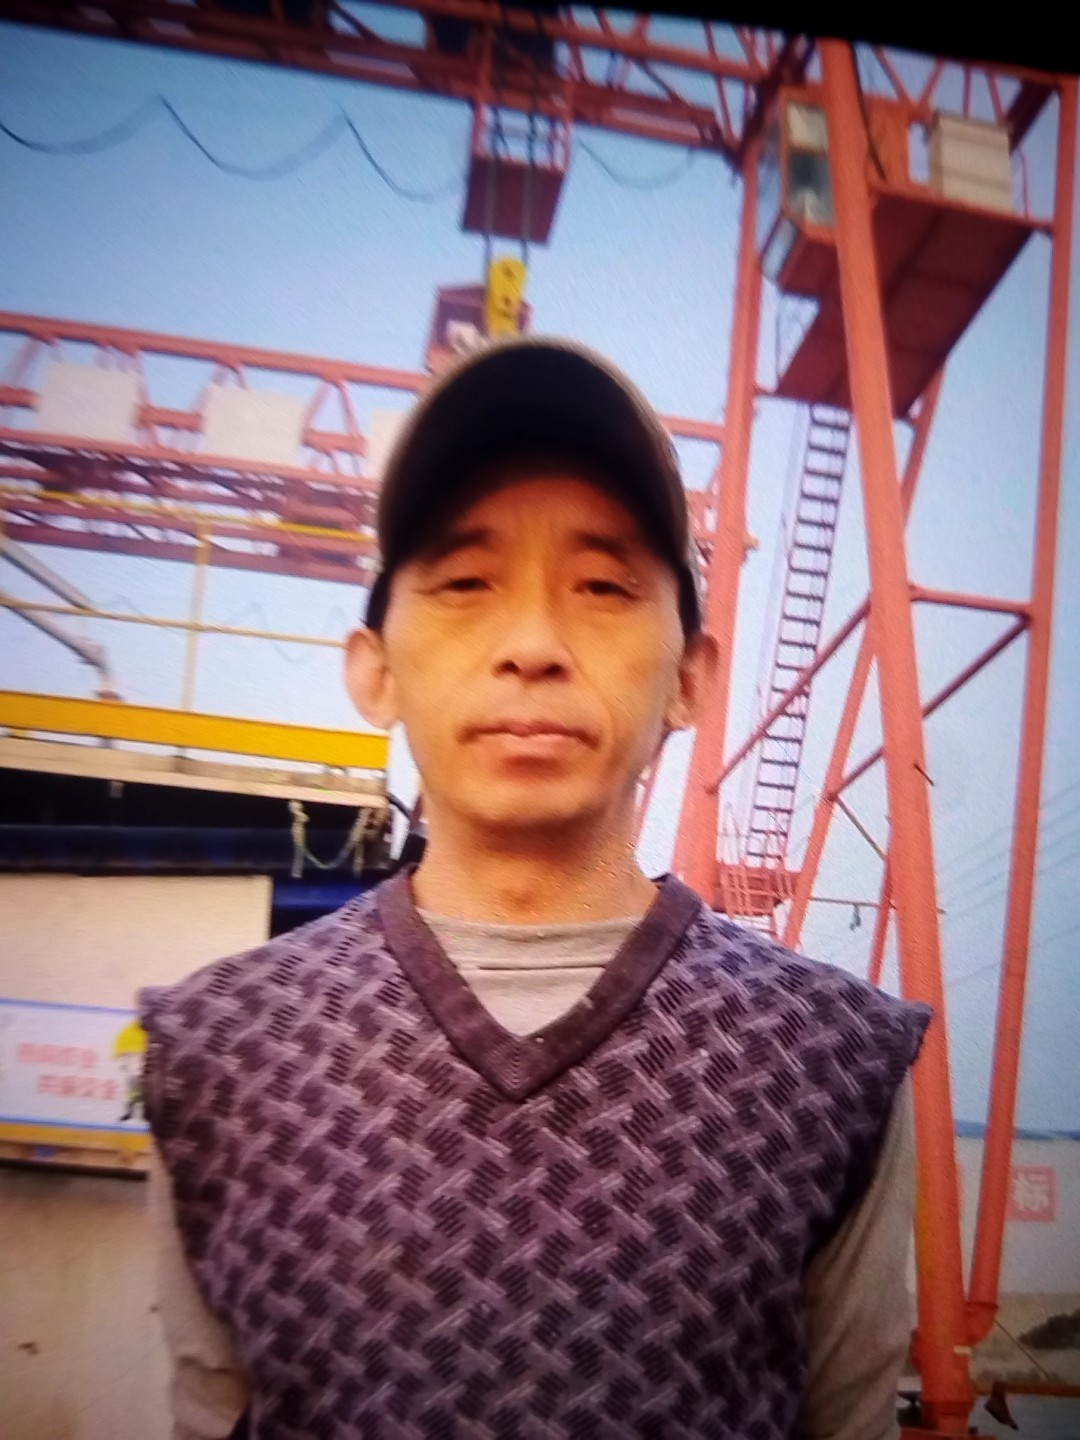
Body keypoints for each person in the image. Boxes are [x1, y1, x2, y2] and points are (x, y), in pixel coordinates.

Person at [140, 335, 928, 1440]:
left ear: (691, 676)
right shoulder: (219, 1052)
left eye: (603, 586)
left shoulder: (831, 1062)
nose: (532, 644)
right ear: (374, 668)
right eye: (466, 583)